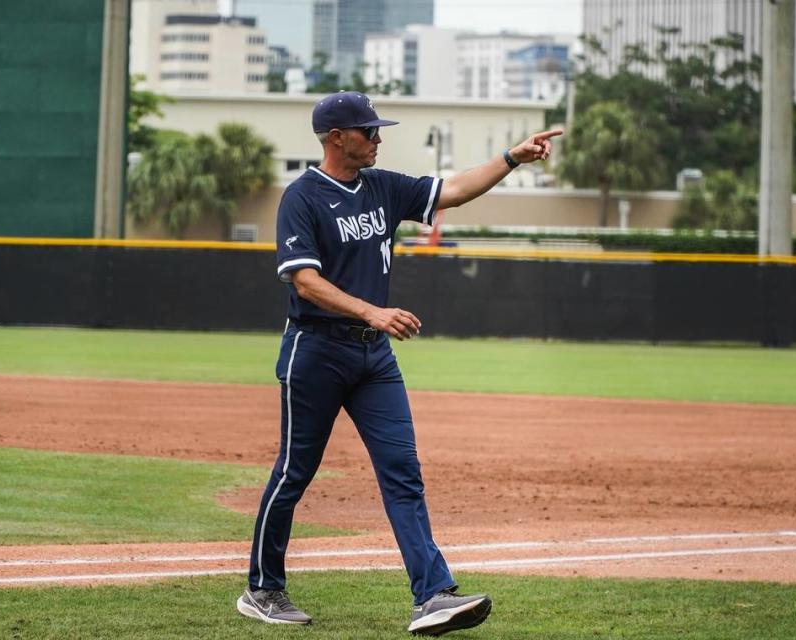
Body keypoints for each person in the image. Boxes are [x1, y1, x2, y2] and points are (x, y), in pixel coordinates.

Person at [237, 91, 561, 636]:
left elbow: (453, 190)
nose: (378, 138)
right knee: (295, 472)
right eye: (369, 131)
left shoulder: (384, 187)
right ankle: (263, 589)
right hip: (315, 351)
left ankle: (433, 595)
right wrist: (374, 311)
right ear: (337, 137)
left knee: (402, 473)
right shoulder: (303, 197)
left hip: (373, 356)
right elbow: (304, 279)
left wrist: (511, 159)